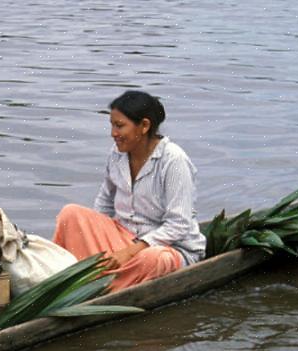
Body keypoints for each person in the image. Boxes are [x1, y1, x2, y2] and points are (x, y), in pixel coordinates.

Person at [52, 90, 206, 291]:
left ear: (144, 126)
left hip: (168, 248)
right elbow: (104, 204)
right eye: (112, 125)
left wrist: (131, 252)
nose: (113, 133)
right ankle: (72, 277)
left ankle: (100, 289)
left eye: (119, 126)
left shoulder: (173, 160)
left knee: (153, 259)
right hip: (125, 238)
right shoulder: (117, 154)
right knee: (71, 213)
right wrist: (93, 233)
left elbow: (179, 224)